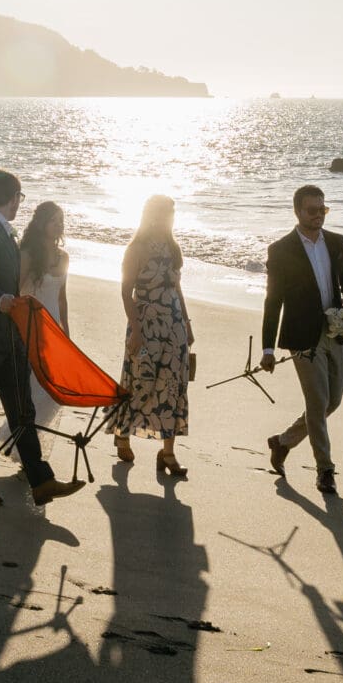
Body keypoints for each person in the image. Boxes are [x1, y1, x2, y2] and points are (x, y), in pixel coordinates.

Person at [0, 171, 82, 508]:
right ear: (11, 197)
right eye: (19, 198)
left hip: (8, 337)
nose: (19, 204)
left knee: (22, 408)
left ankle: (41, 481)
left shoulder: (6, 234)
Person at [261, 182, 343, 494]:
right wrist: (267, 348)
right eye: (312, 210)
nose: (319, 215)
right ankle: (325, 470)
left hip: (335, 331)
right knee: (317, 403)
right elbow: (273, 300)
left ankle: (283, 441)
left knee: (334, 399)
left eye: (323, 209)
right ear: (298, 211)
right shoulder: (281, 250)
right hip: (302, 336)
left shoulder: (337, 242)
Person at [112, 195, 194, 481]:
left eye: (172, 212)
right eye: (165, 212)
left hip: (173, 328)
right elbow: (126, 291)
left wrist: (187, 323)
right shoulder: (137, 248)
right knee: (140, 382)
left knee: (172, 387)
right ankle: (122, 434)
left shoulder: (173, 248)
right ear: (151, 215)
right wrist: (135, 328)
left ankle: (168, 452)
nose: (170, 217)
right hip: (146, 327)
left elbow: (177, 288)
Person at [0, 199, 70, 455]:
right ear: (41, 223)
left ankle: (26, 447)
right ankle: (24, 449)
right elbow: (15, 292)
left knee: (50, 391)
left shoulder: (63, 257)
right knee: (33, 388)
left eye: (61, 221)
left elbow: (62, 297)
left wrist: (66, 333)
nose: (58, 225)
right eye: (53, 220)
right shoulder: (27, 253)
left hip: (53, 330)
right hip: (28, 328)